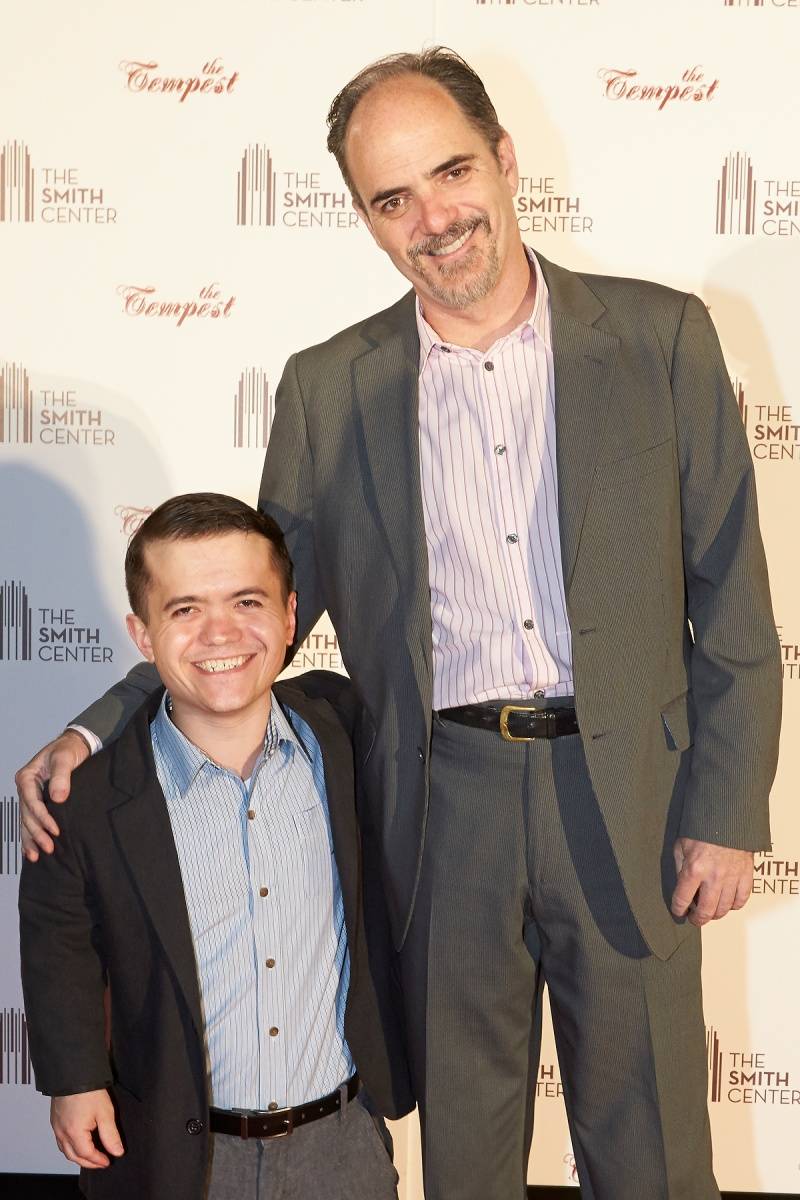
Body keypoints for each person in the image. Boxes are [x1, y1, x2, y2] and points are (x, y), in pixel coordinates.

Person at [17, 48, 781, 1200]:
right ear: (365, 219)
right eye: (391, 199)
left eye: (449, 172)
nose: (432, 218)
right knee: (464, 1160)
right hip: (439, 811)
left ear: (504, 160)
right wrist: (92, 728)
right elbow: (247, 610)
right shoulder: (333, 386)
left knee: (653, 1154)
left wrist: (722, 809)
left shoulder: (659, 338)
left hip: (624, 804)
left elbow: (731, 591)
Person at [19, 493, 411, 1200]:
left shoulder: (349, 734)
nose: (220, 633)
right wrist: (74, 1079)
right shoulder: (89, 798)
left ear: (291, 615)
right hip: (176, 1155)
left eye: (247, 602)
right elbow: (58, 942)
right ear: (142, 635)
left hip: (342, 1145)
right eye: (185, 609)